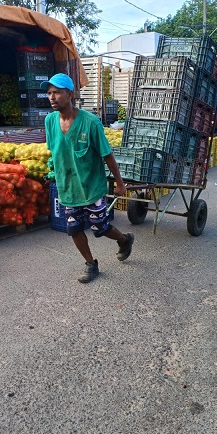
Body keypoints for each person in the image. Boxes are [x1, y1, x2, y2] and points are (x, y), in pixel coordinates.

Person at [42, 73, 134, 283]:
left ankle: (124, 240)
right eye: (49, 93)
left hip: (91, 187)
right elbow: (56, 152)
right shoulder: (49, 121)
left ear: (70, 94)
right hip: (68, 187)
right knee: (73, 228)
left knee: (99, 227)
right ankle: (90, 264)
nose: (52, 97)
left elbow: (107, 154)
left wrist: (120, 183)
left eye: (56, 92)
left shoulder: (90, 123)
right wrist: (53, 174)